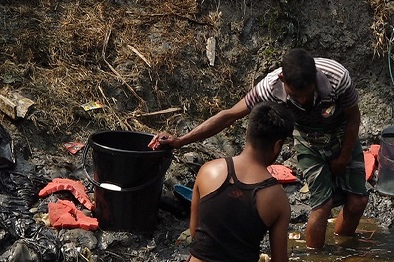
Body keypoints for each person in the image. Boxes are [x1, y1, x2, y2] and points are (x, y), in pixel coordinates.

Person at [150, 48, 368, 249]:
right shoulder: (269, 87)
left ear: (316, 79)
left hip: (342, 133)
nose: (302, 100)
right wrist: (180, 140)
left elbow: (353, 118)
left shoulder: (337, 77)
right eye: (295, 96)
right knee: (323, 206)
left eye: (307, 94)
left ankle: (343, 252)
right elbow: (229, 116)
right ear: (283, 80)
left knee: (358, 201)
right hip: (307, 139)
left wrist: (344, 155)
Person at [155, 102, 294, 262]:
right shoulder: (277, 198)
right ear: (278, 146)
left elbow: (194, 230)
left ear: (247, 132)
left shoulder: (209, 170)